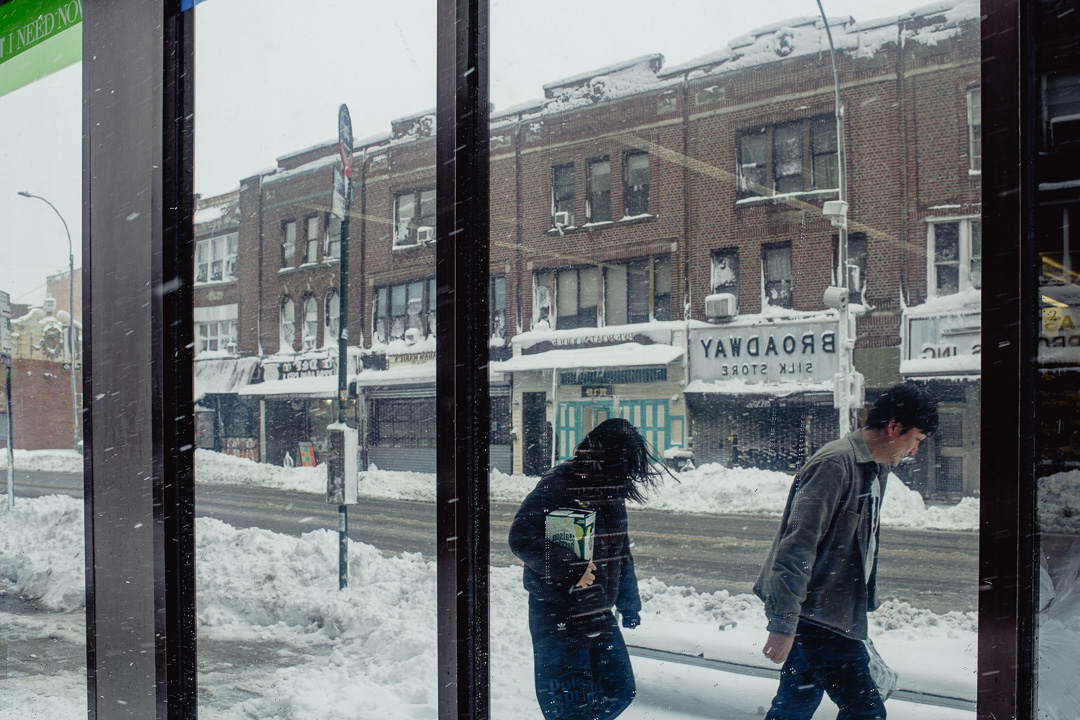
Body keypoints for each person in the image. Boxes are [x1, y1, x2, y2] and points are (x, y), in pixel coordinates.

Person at [754, 382, 939, 720]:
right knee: (866, 713)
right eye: (916, 441)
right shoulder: (835, 465)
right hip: (818, 617)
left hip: (833, 614)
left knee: (794, 706)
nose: (914, 451)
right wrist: (783, 625)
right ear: (893, 426)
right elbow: (796, 548)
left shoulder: (874, 469)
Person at [509, 418, 663, 720]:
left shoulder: (612, 491)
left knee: (619, 689)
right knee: (569, 705)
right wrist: (573, 567)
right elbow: (521, 538)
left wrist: (629, 603)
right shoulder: (558, 484)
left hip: (597, 608)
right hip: (555, 611)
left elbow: (622, 553)